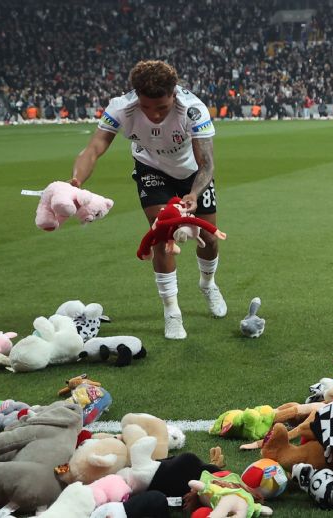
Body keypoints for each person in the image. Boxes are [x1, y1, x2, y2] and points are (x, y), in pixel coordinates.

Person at [68, 60, 225, 340]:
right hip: (150, 168)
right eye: (146, 107)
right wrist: (76, 182)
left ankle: (208, 284)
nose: (153, 115)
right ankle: (172, 312)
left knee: (209, 239)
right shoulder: (120, 107)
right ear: (136, 97)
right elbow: (94, 148)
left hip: (193, 174)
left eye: (161, 108)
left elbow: (208, 164)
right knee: (162, 234)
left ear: (173, 95)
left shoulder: (193, 109)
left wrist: (193, 194)